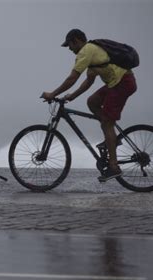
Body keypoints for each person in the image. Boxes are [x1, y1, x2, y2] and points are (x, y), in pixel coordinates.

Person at [41, 29, 137, 182]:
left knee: (106, 123)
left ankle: (113, 167)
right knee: (92, 102)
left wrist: (53, 93)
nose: (70, 49)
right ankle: (113, 138)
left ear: (77, 40)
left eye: (70, 45)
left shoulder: (86, 51)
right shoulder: (93, 53)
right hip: (117, 84)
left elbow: (72, 78)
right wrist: (71, 96)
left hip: (122, 84)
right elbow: (88, 81)